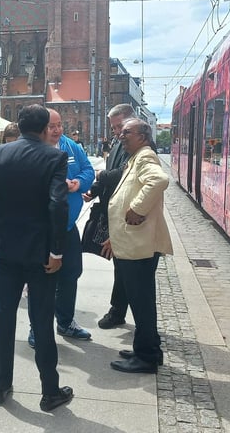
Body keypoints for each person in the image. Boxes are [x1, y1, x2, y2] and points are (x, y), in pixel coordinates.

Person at [0, 104, 74, 412]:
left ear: (19, 125)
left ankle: (0, 387)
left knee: (3, 318)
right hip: (41, 254)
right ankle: (50, 392)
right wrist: (56, 250)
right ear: (42, 129)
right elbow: (57, 206)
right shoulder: (55, 157)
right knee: (42, 322)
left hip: (6, 251)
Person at [102, 118, 172, 374]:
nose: (121, 135)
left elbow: (159, 181)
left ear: (143, 136)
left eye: (127, 132)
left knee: (141, 302)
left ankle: (146, 358)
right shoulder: (136, 156)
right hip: (132, 241)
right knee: (141, 300)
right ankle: (149, 348)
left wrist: (137, 209)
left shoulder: (145, 157)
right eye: (121, 132)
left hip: (138, 243)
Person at [27, 108, 95, 348]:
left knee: (71, 274)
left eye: (59, 125)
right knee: (42, 280)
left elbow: (89, 169)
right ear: (41, 128)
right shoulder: (33, 150)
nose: (56, 130)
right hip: (42, 229)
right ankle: (37, 328)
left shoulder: (70, 146)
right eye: (51, 126)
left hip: (67, 226)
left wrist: (79, 183)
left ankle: (65, 322)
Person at [85, 104, 134, 329]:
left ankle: (118, 311)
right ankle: (118, 309)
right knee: (119, 265)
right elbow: (109, 171)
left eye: (119, 126)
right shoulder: (118, 142)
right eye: (114, 127)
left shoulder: (138, 145)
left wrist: (100, 175)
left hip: (126, 213)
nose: (116, 131)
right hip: (112, 210)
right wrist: (93, 191)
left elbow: (122, 173)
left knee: (125, 267)